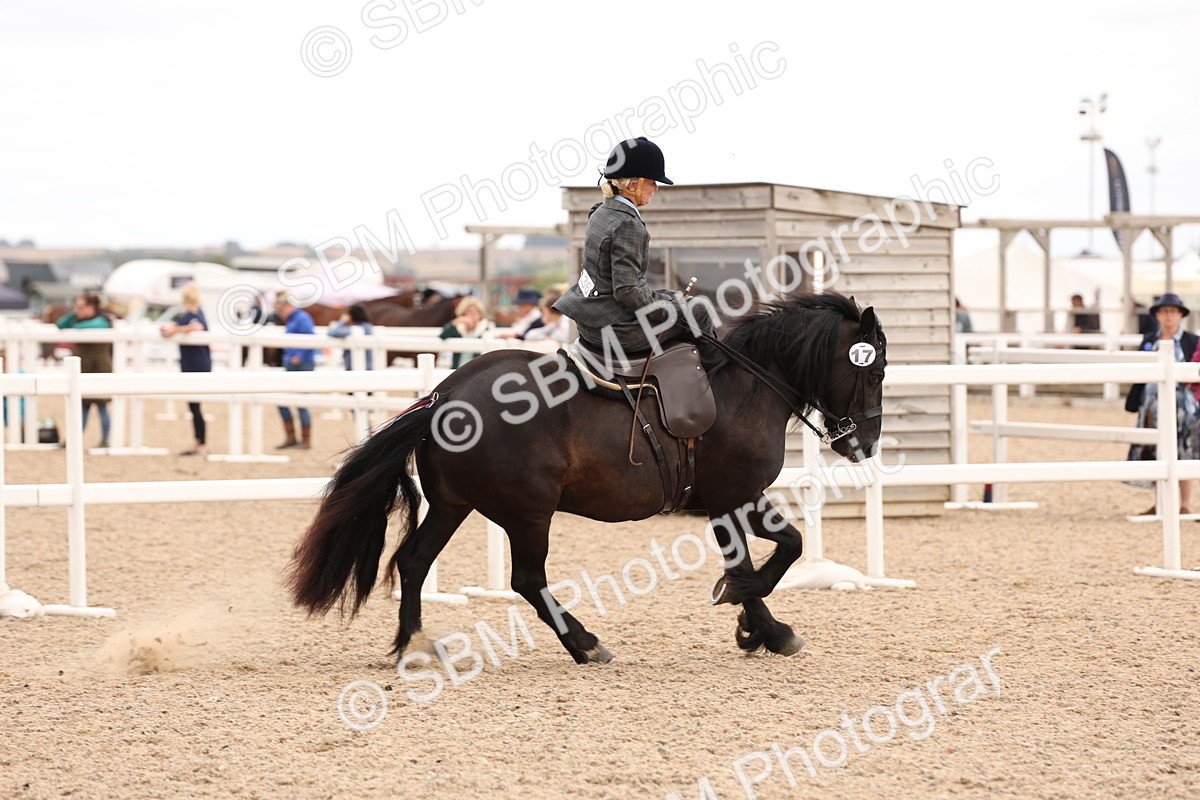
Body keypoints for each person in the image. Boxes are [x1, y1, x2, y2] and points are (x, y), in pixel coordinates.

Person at [553, 136, 713, 357]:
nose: (656, 188)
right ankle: (711, 370)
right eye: (652, 182)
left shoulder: (600, 211)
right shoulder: (628, 224)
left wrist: (671, 301)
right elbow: (627, 292)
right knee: (699, 310)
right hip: (617, 332)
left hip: (590, 321)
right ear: (633, 184)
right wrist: (671, 311)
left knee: (678, 298)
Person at [1124, 293, 1199, 513]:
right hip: (1151, 405)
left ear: (1180, 315)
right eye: (1164, 311)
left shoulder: (1191, 340)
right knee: (1154, 449)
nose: (1169, 316)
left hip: (1184, 406)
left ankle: (1184, 504)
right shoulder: (1149, 339)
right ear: (1157, 315)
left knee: (1184, 451)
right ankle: (1161, 503)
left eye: (1173, 311)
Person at [159, 283, 212, 455]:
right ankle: (198, 440)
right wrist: (170, 330)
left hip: (196, 365)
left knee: (195, 406)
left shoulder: (194, 315)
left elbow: (197, 327)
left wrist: (175, 330)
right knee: (193, 406)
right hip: (193, 364)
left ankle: (201, 442)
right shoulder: (193, 314)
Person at [55, 293, 113, 448]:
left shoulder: (102, 320)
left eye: (81, 307)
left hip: (99, 366)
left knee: (102, 406)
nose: (78, 310)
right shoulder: (80, 320)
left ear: (91, 307)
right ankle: (74, 439)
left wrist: (75, 324)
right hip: (83, 366)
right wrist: (74, 313)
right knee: (81, 406)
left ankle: (105, 440)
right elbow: (60, 325)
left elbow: (88, 327)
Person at [274, 291, 316, 449]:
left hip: (302, 364)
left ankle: (305, 439)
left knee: (301, 401)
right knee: (283, 401)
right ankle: (292, 437)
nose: (280, 314)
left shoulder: (302, 318)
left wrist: (299, 356)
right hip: (292, 363)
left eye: (280, 310)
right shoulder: (293, 319)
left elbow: (310, 338)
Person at [438, 296, 490, 368]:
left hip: (476, 370)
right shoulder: (458, 329)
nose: (473, 315)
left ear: (480, 314)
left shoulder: (484, 329)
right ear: (464, 314)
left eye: (476, 312)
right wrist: (457, 321)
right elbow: (442, 336)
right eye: (470, 312)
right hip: (458, 368)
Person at [327, 304, 374, 370]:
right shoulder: (368, 326)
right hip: (368, 366)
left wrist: (342, 321)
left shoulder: (357, 328)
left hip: (356, 367)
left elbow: (332, 332)